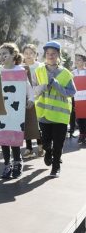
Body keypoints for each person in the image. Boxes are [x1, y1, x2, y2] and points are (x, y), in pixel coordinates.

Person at [33, 41, 76, 177]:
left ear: (58, 55)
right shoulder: (39, 71)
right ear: (45, 55)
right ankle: (48, 152)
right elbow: (33, 89)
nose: (50, 56)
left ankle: (56, 166)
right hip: (44, 114)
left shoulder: (66, 73)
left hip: (60, 115)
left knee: (58, 143)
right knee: (46, 142)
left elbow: (71, 92)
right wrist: (42, 87)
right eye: (48, 54)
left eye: (53, 53)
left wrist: (57, 85)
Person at [0, 43, 34, 179]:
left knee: (13, 137)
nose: (1, 56)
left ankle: (17, 162)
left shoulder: (20, 71)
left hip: (16, 110)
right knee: (3, 137)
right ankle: (7, 164)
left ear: (13, 55)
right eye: (0, 54)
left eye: (5, 54)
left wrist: (31, 99)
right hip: (1, 110)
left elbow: (28, 88)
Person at [21, 44, 44, 158]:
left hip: (38, 98)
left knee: (37, 123)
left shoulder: (40, 66)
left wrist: (35, 93)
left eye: (31, 53)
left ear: (35, 55)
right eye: (26, 53)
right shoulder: (21, 67)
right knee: (27, 123)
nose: (28, 55)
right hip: (25, 98)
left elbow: (42, 84)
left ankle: (40, 146)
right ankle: (29, 148)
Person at [72, 54, 86, 144]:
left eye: (79, 60)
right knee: (79, 117)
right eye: (76, 60)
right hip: (76, 98)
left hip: (85, 98)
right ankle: (82, 134)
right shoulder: (72, 73)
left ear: (84, 62)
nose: (77, 61)